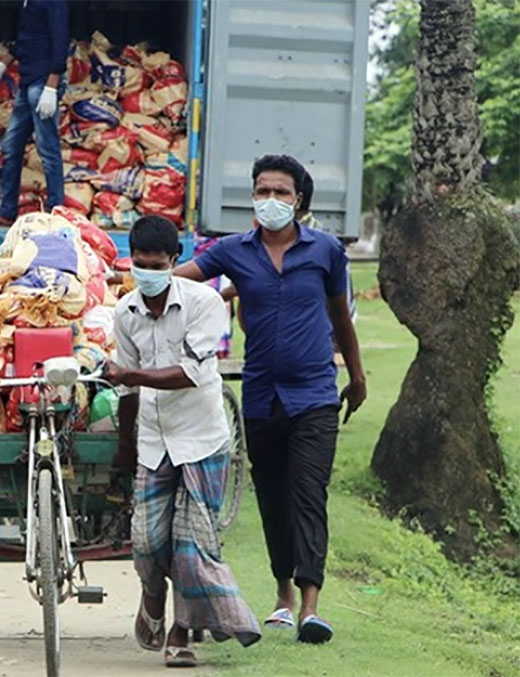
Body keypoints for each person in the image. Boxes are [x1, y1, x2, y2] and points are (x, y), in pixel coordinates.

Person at [174, 154, 366, 644]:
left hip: (316, 394)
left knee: (309, 494)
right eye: (263, 190)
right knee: (274, 496)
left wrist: (358, 376)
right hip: (261, 396)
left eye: (281, 192)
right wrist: (132, 281)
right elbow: (179, 277)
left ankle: (310, 606)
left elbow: (341, 317)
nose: (271, 200)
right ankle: (281, 593)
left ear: (298, 200)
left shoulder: (325, 251)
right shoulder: (233, 252)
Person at [105, 215, 260, 668]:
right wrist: (124, 443)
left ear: (175, 261)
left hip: (202, 439)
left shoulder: (205, 302)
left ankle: (181, 632)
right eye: (139, 263)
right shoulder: (126, 312)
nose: (147, 273)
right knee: (148, 542)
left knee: (191, 545)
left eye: (156, 264)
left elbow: (190, 373)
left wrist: (129, 375)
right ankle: (152, 594)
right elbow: (128, 391)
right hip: (154, 440)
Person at [0, 0, 69, 224]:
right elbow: (26, 41)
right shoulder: (27, 2)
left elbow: (60, 42)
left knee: (47, 149)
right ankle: (7, 212)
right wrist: (3, 65)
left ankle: (55, 213)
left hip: (43, 83)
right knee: (11, 146)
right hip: (28, 82)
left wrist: (52, 85)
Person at [296, 170, 357, 364]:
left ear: (298, 198)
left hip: (314, 355)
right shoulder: (259, 243)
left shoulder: (325, 245)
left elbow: (343, 310)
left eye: (279, 192)